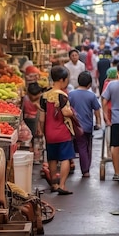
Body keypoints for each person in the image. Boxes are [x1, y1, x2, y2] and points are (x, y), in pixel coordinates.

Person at [38, 66, 75, 195]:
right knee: (65, 158)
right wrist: (71, 113)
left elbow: (41, 118)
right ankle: (62, 185)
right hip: (62, 132)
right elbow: (65, 112)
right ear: (62, 80)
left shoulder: (44, 96)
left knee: (52, 158)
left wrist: (42, 132)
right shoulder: (62, 96)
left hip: (49, 132)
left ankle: (54, 184)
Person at [68, 71, 102, 178]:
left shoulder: (71, 94)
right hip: (87, 126)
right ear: (89, 84)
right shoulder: (91, 96)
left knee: (74, 146)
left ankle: (70, 164)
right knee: (86, 148)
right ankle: (85, 169)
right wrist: (99, 123)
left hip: (74, 126)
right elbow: (97, 111)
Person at [22, 82, 44, 162]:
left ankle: (35, 157)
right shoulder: (27, 99)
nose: (34, 97)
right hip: (30, 122)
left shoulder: (27, 98)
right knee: (32, 140)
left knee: (35, 140)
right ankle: (34, 157)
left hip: (33, 121)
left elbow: (40, 115)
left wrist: (39, 127)